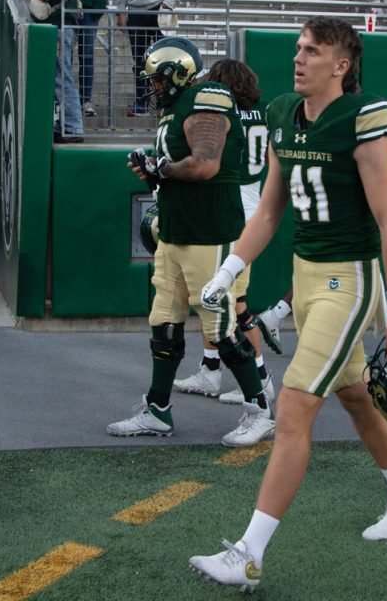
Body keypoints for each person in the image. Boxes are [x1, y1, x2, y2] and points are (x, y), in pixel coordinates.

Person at [189, 17, 387, 592]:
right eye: (298, 48)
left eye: (313, 51)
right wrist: (227, 272)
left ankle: (249, 553)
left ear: (341, 66)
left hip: (350, 280)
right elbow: (270, 212)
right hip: (308, 276)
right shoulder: (281, 115)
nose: (298, 58)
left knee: (294, 407)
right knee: (353, 395)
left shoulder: (362, 118)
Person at [107, 37, 274, 448]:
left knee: (220, 326)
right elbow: (175, 171)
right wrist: (152, 171)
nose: (156, 87)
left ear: (180, 73)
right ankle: (158, 409)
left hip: (208, 230)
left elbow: (204, 165)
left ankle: (259, 410)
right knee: (163, 319)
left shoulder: (209, 98)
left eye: (160, 80)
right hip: (177, 228)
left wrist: (161, 166)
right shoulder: (174, 110)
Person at [173, 59, 280, 406]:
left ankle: (261, 380)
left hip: (233, 213)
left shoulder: (219, 114)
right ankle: (210, 369)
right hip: (252, 208)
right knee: (214, 298)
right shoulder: (265, 112)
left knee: (236, 306)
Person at [16, 0, 89, 143]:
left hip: (60, 24)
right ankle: (64, 124)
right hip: (48, 25)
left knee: (61, 75)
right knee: (55, 76)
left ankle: (74, 127)